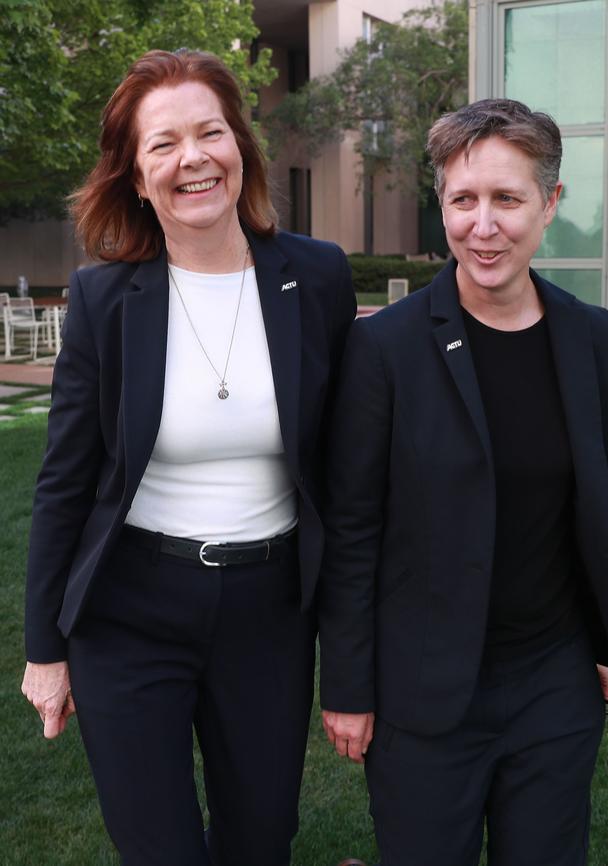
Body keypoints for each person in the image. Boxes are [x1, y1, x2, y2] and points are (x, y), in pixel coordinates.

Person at [21, 48, 355, 866]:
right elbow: (63, 484)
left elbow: (348, 476)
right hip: (128, 612)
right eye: (163, 144)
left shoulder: (316, 278)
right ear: (137, 178)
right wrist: (44, 650)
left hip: (269, 613)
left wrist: (352, 649)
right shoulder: (105, 300)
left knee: (260, 838)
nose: (192, 158)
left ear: (240, 147)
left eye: (211, 132)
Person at [318, 99, 608, 866]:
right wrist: (347, 687)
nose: (484, 224)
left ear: (550, 202)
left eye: (508, 198)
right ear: (442, 206)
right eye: (463, 200)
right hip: (423, 697)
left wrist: (594, 644)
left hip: (553, 686)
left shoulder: (589, 336)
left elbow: (586, 506)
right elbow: (353, 529)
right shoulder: (385, 349)